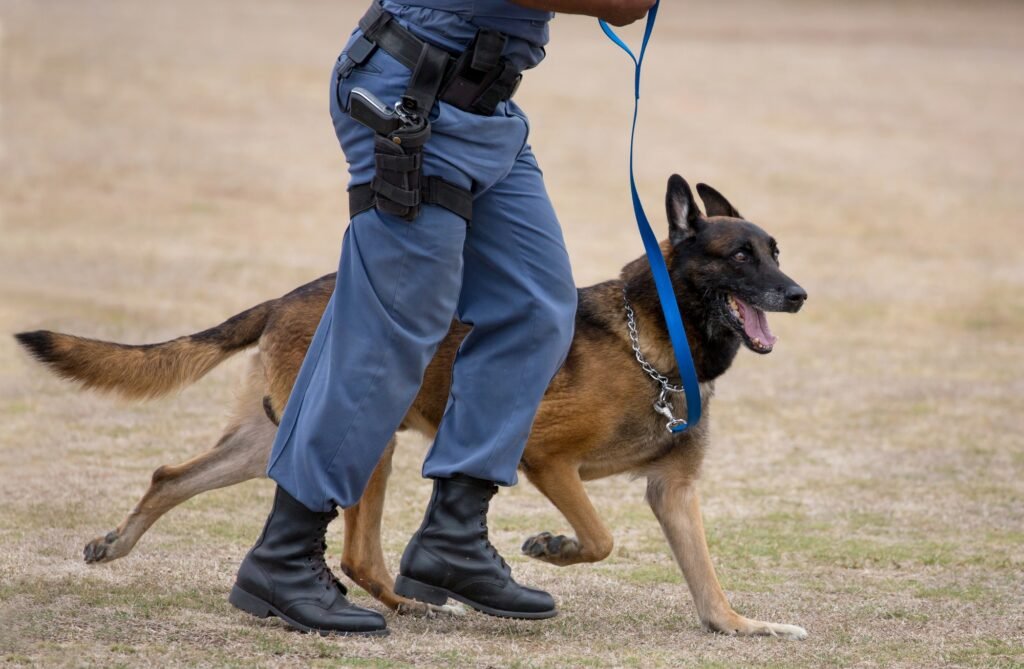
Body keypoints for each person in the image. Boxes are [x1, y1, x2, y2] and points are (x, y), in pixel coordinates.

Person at [228, 0, 656, 636]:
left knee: (538, 306)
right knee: (394, 327)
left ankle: (452, 537)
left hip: (485, 105)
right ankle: (283, 555)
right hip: (410, 91)